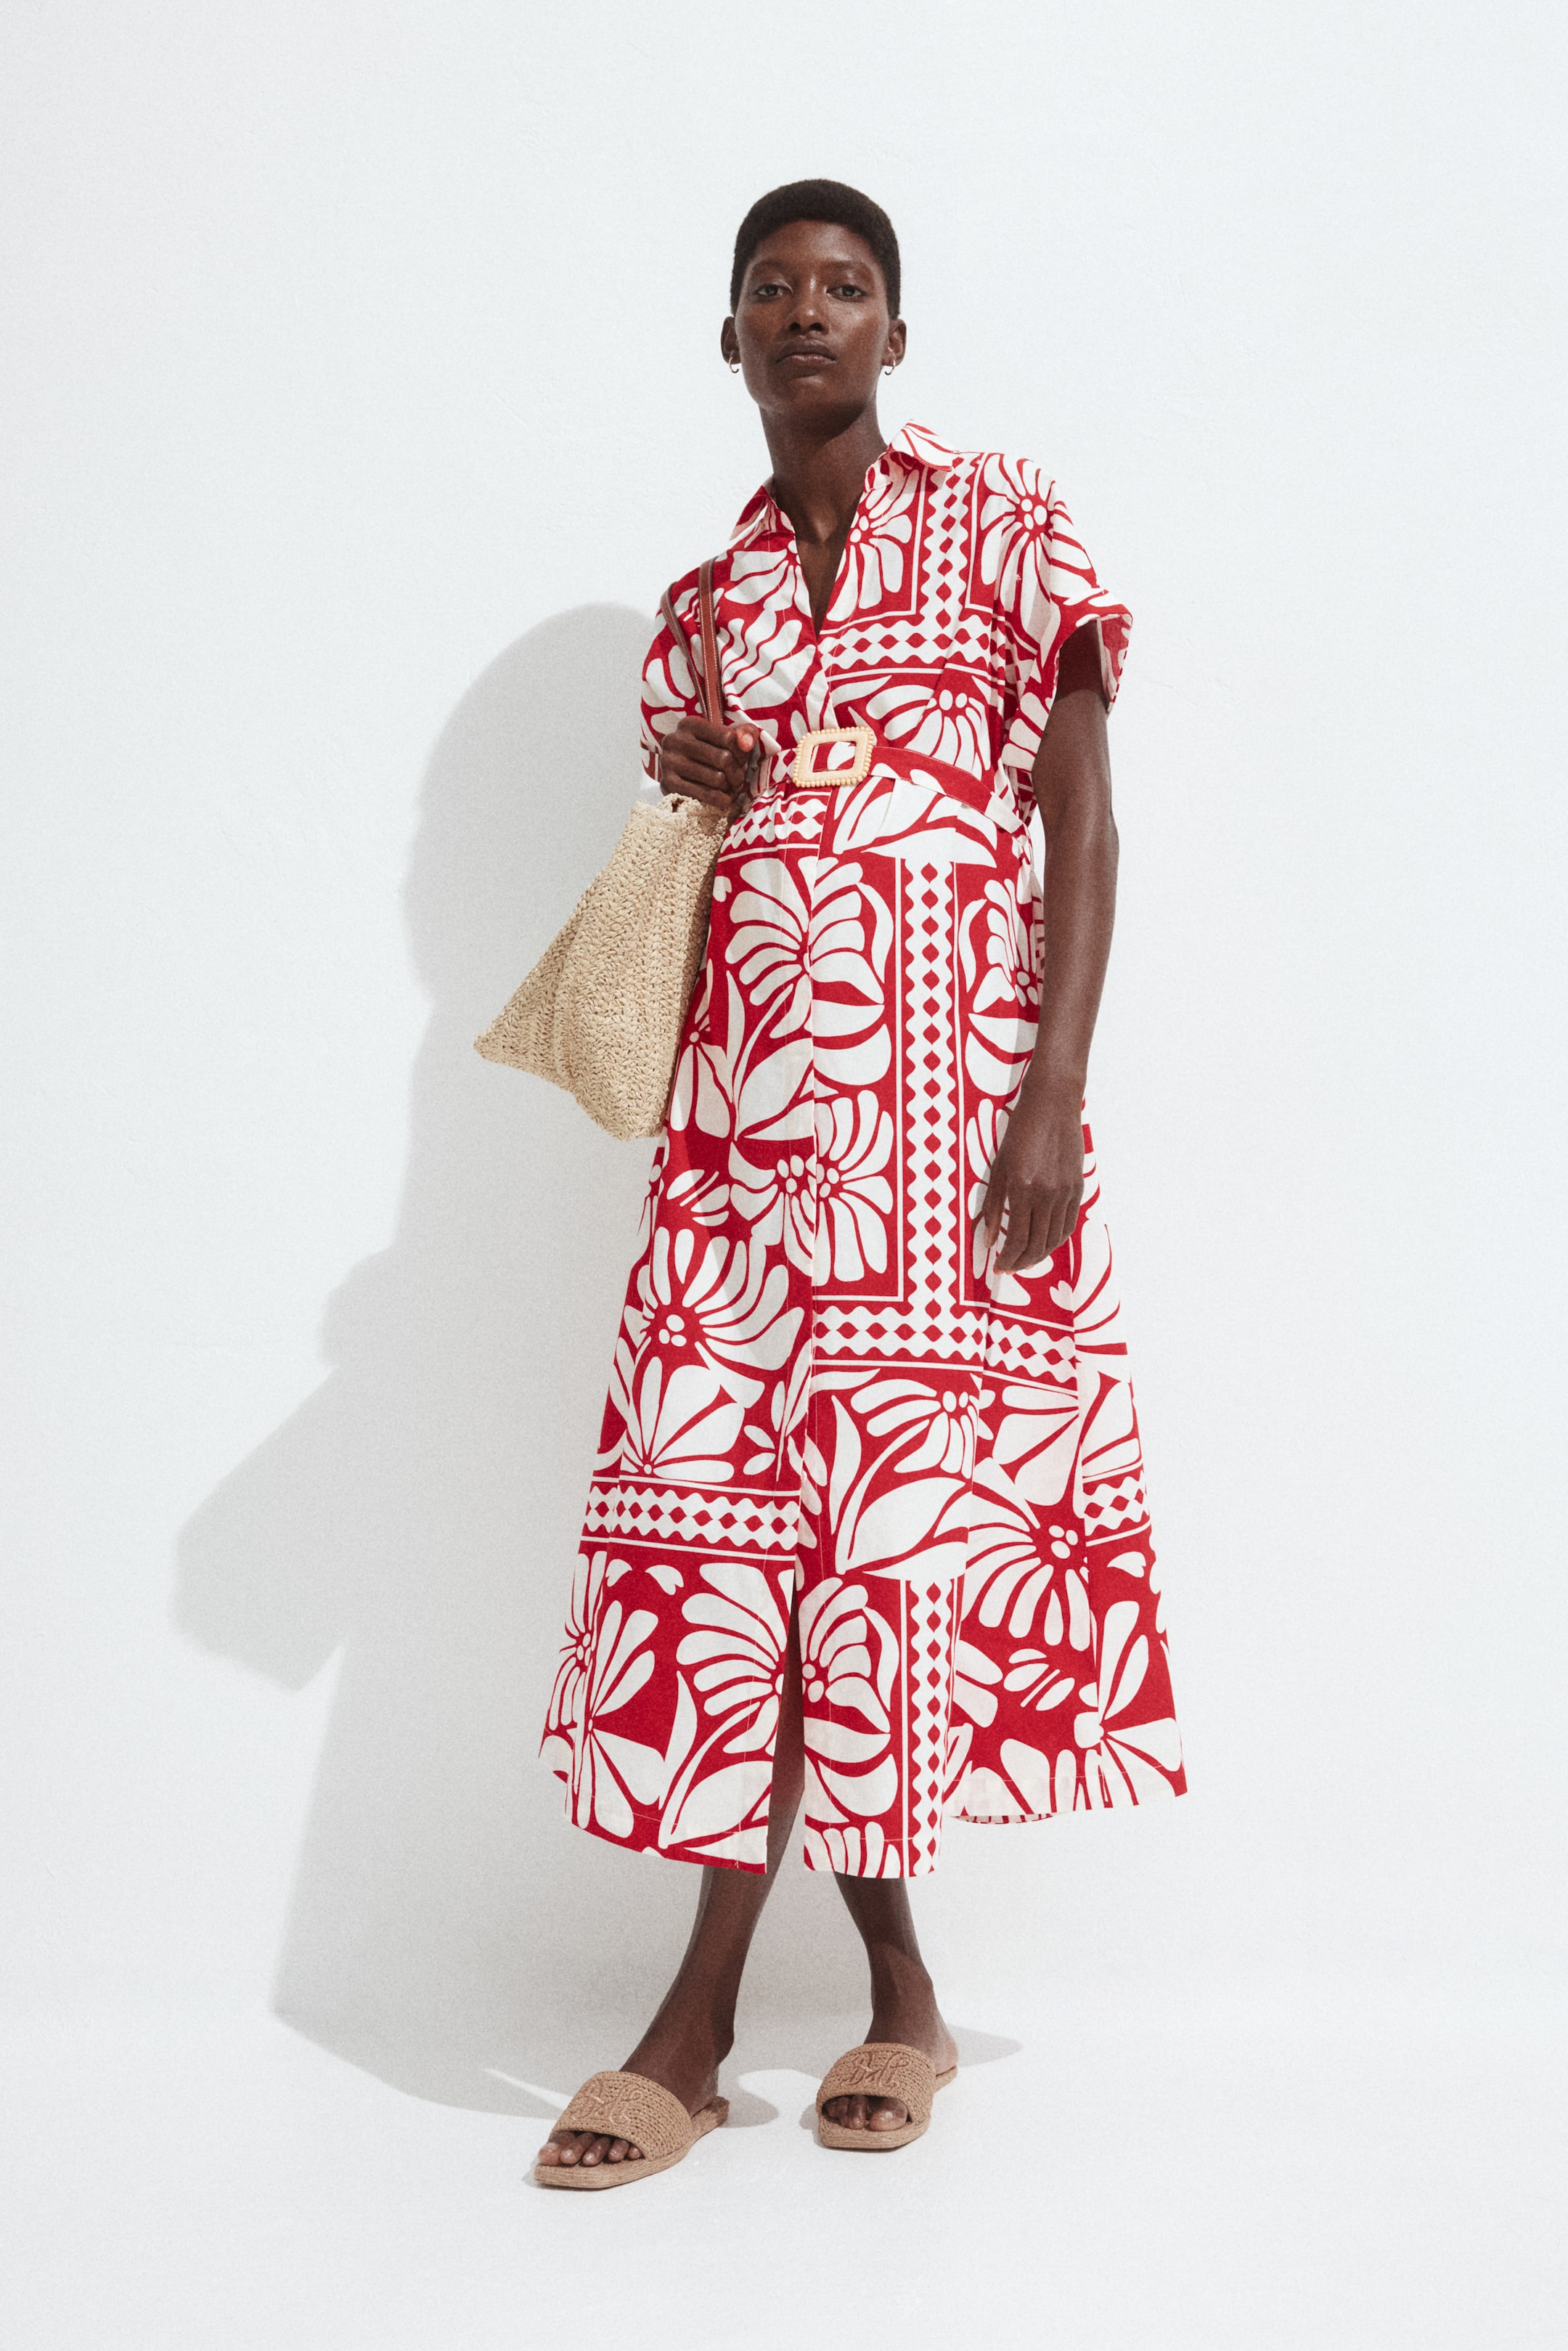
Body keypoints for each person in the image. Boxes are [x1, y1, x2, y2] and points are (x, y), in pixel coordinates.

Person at [534, 179, 1184, 2188]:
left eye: (845, 287)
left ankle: (702, 2017)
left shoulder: (1000, 520)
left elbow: (1078, 813)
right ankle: (890, 1996)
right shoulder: (705, 608)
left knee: (878, 1552)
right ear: (729, 337)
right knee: (726, 1544)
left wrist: (1055, 1088)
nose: (806, 310)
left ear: (896, 334)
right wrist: (719, 793)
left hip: (940, 1135)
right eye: (771, 288)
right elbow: (701, 833)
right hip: (741, 1142)